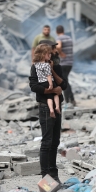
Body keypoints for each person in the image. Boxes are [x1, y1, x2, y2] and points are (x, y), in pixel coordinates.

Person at [29, 39, 67, 183]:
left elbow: (64, 85)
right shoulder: (36, 67)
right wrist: (49, 90)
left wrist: (51, 70)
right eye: (51, 50)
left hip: (58, 106)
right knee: (47, 142)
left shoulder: (56, 66)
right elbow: (33, 86)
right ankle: (46, 177)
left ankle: (54, 174)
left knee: (55, 141)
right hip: (45, 106)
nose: (54, 52)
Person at [33, 44, 61, 118]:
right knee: (55, 94)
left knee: (49, 97)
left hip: (41, 82)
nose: (50, 55)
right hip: (48, 82)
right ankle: (57, 107)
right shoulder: (46, 65)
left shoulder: (36, 65)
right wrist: (51, 84)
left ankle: (51, 109)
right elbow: (48, 75)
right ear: (43, 55)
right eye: (48, 54)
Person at [56, 25, 76, 106]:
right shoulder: (69, 38)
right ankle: (72, 100)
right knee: (66, 81)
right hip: (70, 64)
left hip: (63, 63)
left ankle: (68, 101)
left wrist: (60, 53)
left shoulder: (59, 38)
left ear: (57, 32)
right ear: (63, 30)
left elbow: (58, 46)